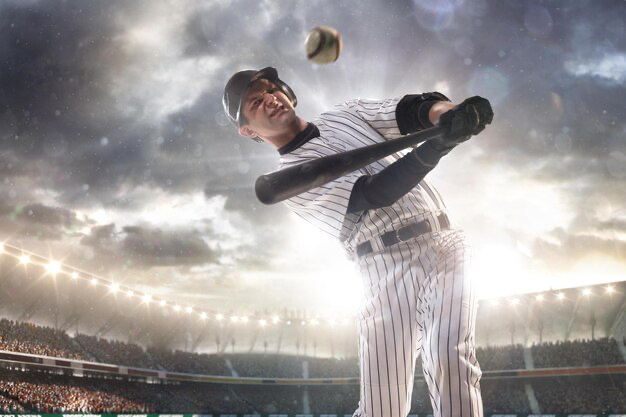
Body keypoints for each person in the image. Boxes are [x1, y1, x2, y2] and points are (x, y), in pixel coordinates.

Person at [223, 67, 493, 417]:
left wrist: (451, 116)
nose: (269, 99)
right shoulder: (288, 183)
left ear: (286, 91)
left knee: (448, 355)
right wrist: (439, 145)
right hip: (381, 271)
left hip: (444, 245)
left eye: (270, 89)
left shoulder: (345, 114)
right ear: (248, 130)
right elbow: (374, 193)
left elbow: (411, 110)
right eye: (256, 103)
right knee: (383, 408)